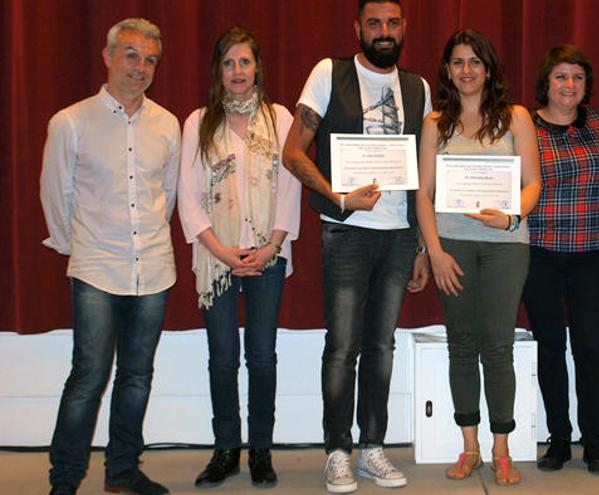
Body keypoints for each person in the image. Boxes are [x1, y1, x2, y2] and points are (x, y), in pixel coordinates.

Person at [281, 0, 431, 492]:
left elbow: (425, 172)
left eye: (392, 23)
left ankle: (372, 449)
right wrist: (337, 195)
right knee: (343, 346)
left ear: (403, 28)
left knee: (381, 346)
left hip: (399, 235)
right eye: (375, 24)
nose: (384, 32)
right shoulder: (329, 73)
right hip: (345, 230)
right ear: (358, 28)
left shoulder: (419, 88)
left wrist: (423, 247)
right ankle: (337, 451)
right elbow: (292, 151)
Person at [39, 18, 179, 495]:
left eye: (150, 60)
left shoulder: (168, 124)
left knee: (137, 377)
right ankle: (65, 479)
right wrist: (73, 246)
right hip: (97, 267)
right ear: (108, 56)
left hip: (154, 269)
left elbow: (170, 195)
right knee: (88, 378)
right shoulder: (71, 122)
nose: (140, 68)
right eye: (132, 55)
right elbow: (55, 196)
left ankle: (122, 472)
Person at [178, 26, 302, 489]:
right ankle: (226, 449)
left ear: (257, 67)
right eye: (228, 63)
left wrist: (270, 246)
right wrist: (220, 249)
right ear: (219, 70)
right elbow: (187, 195)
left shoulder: (281, 119)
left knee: (262, 357)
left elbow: (290, 187)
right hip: (216, 258)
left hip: (269, 255)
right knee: (223, 356)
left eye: (244, 62)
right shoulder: (197, 123)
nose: (237, 71)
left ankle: (261, 452)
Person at [416, 28, 541, 486]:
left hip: (507, 246)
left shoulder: (516, 118)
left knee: (498, 346)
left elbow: (533, 184)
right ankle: (469, 446)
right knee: (462, 345)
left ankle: (501, 448)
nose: (466, 70)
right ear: (447, 71)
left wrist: (510, 219)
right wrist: (435, 253)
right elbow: (423, 196)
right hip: (454, 247)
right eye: (457, 62)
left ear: (488, 69)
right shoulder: (435, 124)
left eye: (474, 61)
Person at [522, 44, 599, 474]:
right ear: (547, 81)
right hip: (539, 253)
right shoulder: (526, 126)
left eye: (577, 77)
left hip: (591, 253)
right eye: (561, 76)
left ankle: (594, 441)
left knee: (591, 348)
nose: (569, 85)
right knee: (551, 347)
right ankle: (559, 439)